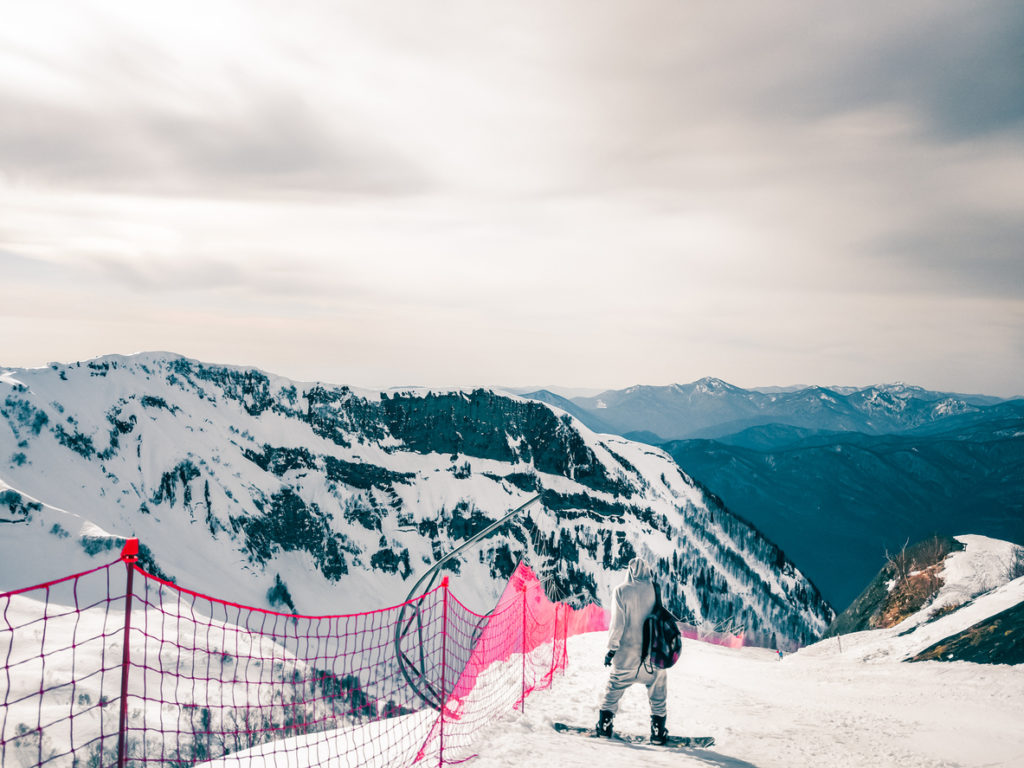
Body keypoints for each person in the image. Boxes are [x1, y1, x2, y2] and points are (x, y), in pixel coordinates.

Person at [596, 557, 669, 745]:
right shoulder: (655, 589)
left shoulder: (621, 591)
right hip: (652, 657)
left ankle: (604, 726)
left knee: (613, 689)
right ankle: (658, 732)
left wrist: (611, 650)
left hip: (626, 656)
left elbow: (617, 625)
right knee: (658, 691)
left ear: (629, 571)